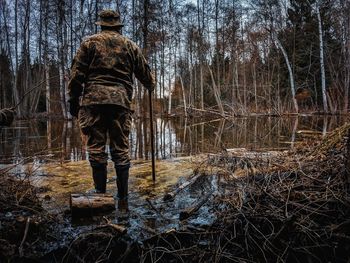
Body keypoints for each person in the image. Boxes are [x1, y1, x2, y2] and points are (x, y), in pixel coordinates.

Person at [68, 10, 155, 214]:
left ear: (101, 25)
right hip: (120, 103)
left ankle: (100, 196)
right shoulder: (129, 45)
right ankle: (123, 199)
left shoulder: (89, 43)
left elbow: (76, 74)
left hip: (93, 102)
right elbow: (146, 75)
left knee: (96, 149)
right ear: (118, 25)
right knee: (120, 149)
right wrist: (151, 84)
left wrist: (73, 99)